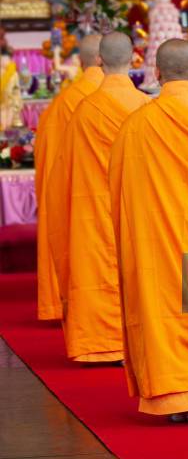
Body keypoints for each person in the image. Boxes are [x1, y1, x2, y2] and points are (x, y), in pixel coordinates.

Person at [109, 39, 188, 419]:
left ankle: (173, 397)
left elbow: (118, 193)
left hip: (156, 246)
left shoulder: (135, 126)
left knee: (161, 308)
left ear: (157, 73)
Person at [47, 32, 149, 362]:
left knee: (98, 267)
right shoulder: (148, 107)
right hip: (138, 210)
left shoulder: (84, 111)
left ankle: (102, 341)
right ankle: (142, 339)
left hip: (94, 208)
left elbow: (61, 174)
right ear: (135, 59)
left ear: (99, 61)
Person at [35, 34, 103, 320]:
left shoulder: (63, 104)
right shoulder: (136, 102)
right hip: (123, 197)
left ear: (81, 61)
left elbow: (49, 163)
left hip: (80, 196)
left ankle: (68, 306)